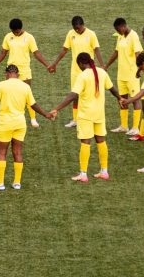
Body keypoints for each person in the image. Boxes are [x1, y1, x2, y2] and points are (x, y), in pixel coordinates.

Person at [0, 64, 54, 190]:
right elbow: (33, 104)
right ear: (18, 74)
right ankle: (17, 183)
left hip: (5, 123)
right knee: (17, 152)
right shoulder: (25, 86)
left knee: (1, 153)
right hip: (20, 124)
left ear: (6, 74)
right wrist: (46, 114)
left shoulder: (2, 85)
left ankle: (0, 183)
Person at [50, 53, 120, 182]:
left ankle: (83, 174)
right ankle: (104, 171)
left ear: (81, 63)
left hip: (86, 115)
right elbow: (112, 88)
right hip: (99, 114)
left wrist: (57, 108)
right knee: (101, 141)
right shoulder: (101, 72)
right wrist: (120, 98)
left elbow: (73, 96)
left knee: (85, 143)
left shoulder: (82, 76)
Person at [0, 18, 52, 128]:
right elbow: (3, 52)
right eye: (13, 32)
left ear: (21, 28)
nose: (15, 33)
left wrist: (47, 65)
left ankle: (33, 119)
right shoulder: (8, 37)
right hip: (11, 71)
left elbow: (36, 53)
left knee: (27, 95)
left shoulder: (29, 37)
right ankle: (8, 115)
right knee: (9, 93)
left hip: (24, 71)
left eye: (17, 31)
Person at [48, 16, 104, 128]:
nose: (77, 30)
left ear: (83, 25)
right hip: (75, 71)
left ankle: (91, 117)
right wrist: (55, 63)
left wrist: (102, 65)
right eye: (75, 28)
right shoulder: (71, 34)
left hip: (89, 71)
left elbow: (96, 49)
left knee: (90, 94)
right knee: (75, 95)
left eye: (78, 28)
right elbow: (65, 50)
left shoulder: (91, 34)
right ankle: (75, 119)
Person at [104, 18, 143, 135]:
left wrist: (139, 69)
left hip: (132, 74)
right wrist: (107, 65)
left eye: (118, 29)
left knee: (135, 99)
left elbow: (138, 54)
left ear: (123, 26)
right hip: (121, 74)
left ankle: (135, 127)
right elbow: (116, 52)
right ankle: (124, 126)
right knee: (121, 98)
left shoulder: (133, 36)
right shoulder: (121, 36)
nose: (118, 32)